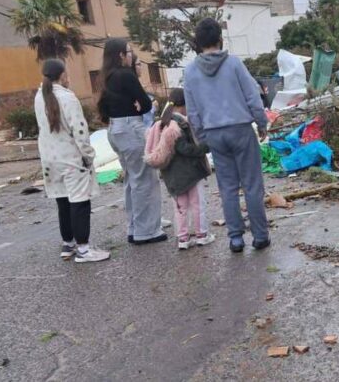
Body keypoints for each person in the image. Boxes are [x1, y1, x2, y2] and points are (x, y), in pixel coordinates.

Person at [184, 18, 271, 253]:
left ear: (198, 43)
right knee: (252, 185)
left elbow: (192, 111)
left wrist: (202, 137)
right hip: (241, 129)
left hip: (214, 134)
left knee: (228, 187)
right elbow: (253, 96)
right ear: (219, 40)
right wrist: (262, 123)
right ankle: (260, 236)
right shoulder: (234, 64)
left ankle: (235, 238)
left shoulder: (190, 72)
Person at [34, 59, 109, 263]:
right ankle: (83, 249)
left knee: (63, 202)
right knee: (80, 202)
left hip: (50, 158)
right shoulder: (67, 98)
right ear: (63, 75)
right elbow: (80, 131)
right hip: (71, 158)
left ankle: (68, 244)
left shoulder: (40, 96)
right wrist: (88, 155)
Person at [98, 39, 166, 245]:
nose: (131, 55)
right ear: (120, 55)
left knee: (131, 179)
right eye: (129, 52)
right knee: (144, 179)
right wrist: (140, 103)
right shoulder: (126, 74)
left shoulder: (107, 77)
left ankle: (134, 226)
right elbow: (145, 103)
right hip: (130, 128)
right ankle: (147, 231)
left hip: (114, 129)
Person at [145, 88, 214, 250]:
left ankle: (183, 238)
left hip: (171, 175)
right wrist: (204, 148)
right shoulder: (178, 124)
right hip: (189, 173)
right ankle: (201, 235)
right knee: (197, 204)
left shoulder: (161, 123)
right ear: (183, 105)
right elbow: (184, 148)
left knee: (180, 207)